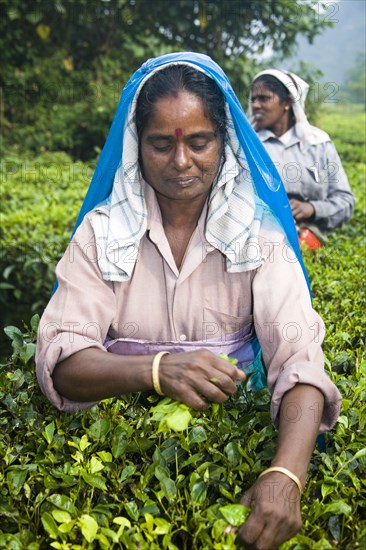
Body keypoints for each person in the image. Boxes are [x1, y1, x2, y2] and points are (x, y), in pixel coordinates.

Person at [36, 52, 342, 550]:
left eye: (199, 142)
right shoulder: (101, 235)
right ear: (138, 145)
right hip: (115, 468)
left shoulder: (258, 239)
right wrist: (157, 370)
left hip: (228, 450)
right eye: (161, 144)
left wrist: (286, 473)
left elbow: (301, 364)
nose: (182, 162)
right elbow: (63, 359)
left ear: (224, 142)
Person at [248, 69, 355, 246]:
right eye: (253, 99)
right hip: (259, 240)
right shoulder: (249, 146)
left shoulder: (319, 144)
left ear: (288, 102)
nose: (256, 105)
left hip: (310, 238)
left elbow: (345, 201)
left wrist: (312, 209)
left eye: (264, 98)